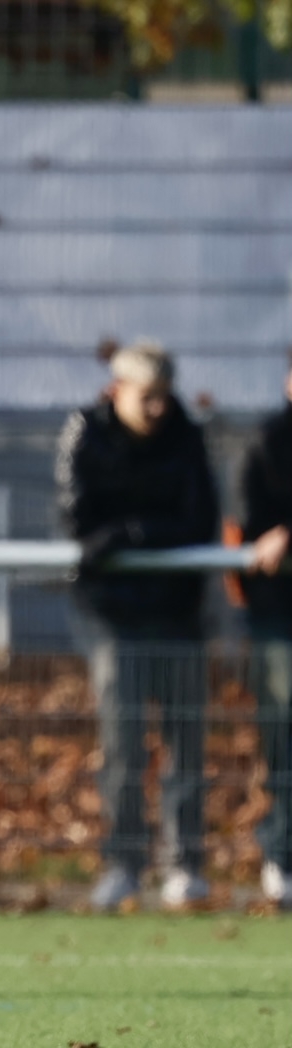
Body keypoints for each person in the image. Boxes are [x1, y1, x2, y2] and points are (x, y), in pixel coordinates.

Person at [56, 340, 219, 912]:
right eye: (146, 397)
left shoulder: (185, 435)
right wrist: (134, 533)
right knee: (124, 743)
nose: (157, 409)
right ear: (116, 391)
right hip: (111, 612)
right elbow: (78, 518)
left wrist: (129, 535)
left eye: (163, 397)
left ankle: (185, 864)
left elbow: (198, 520)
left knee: (184, 741)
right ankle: (124, 864)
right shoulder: (85, 432)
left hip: (177, 609)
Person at [236, 363, 292, 911]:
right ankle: (283, 856)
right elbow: (250, 529)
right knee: (284, 734)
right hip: (280, 613)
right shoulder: (270, 442)